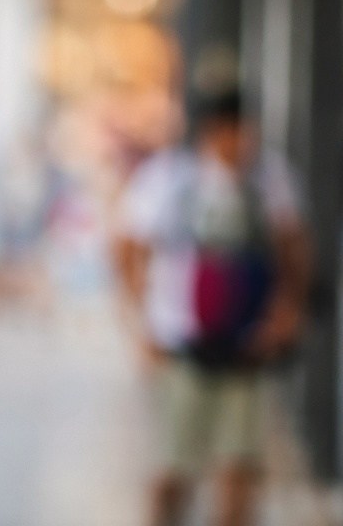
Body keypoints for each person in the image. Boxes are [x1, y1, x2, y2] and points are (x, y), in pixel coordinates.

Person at [115, 91, 310, 526]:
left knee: (239, 465)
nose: (240, 144)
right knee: (174, 466)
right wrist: (140, 323)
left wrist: (286, 312)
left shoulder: (270, 179)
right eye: (232, 133)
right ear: (212, 132)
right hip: (181, 343)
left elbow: (295, 250)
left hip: (247, 345)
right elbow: (127, 249)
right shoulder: (169, 179)